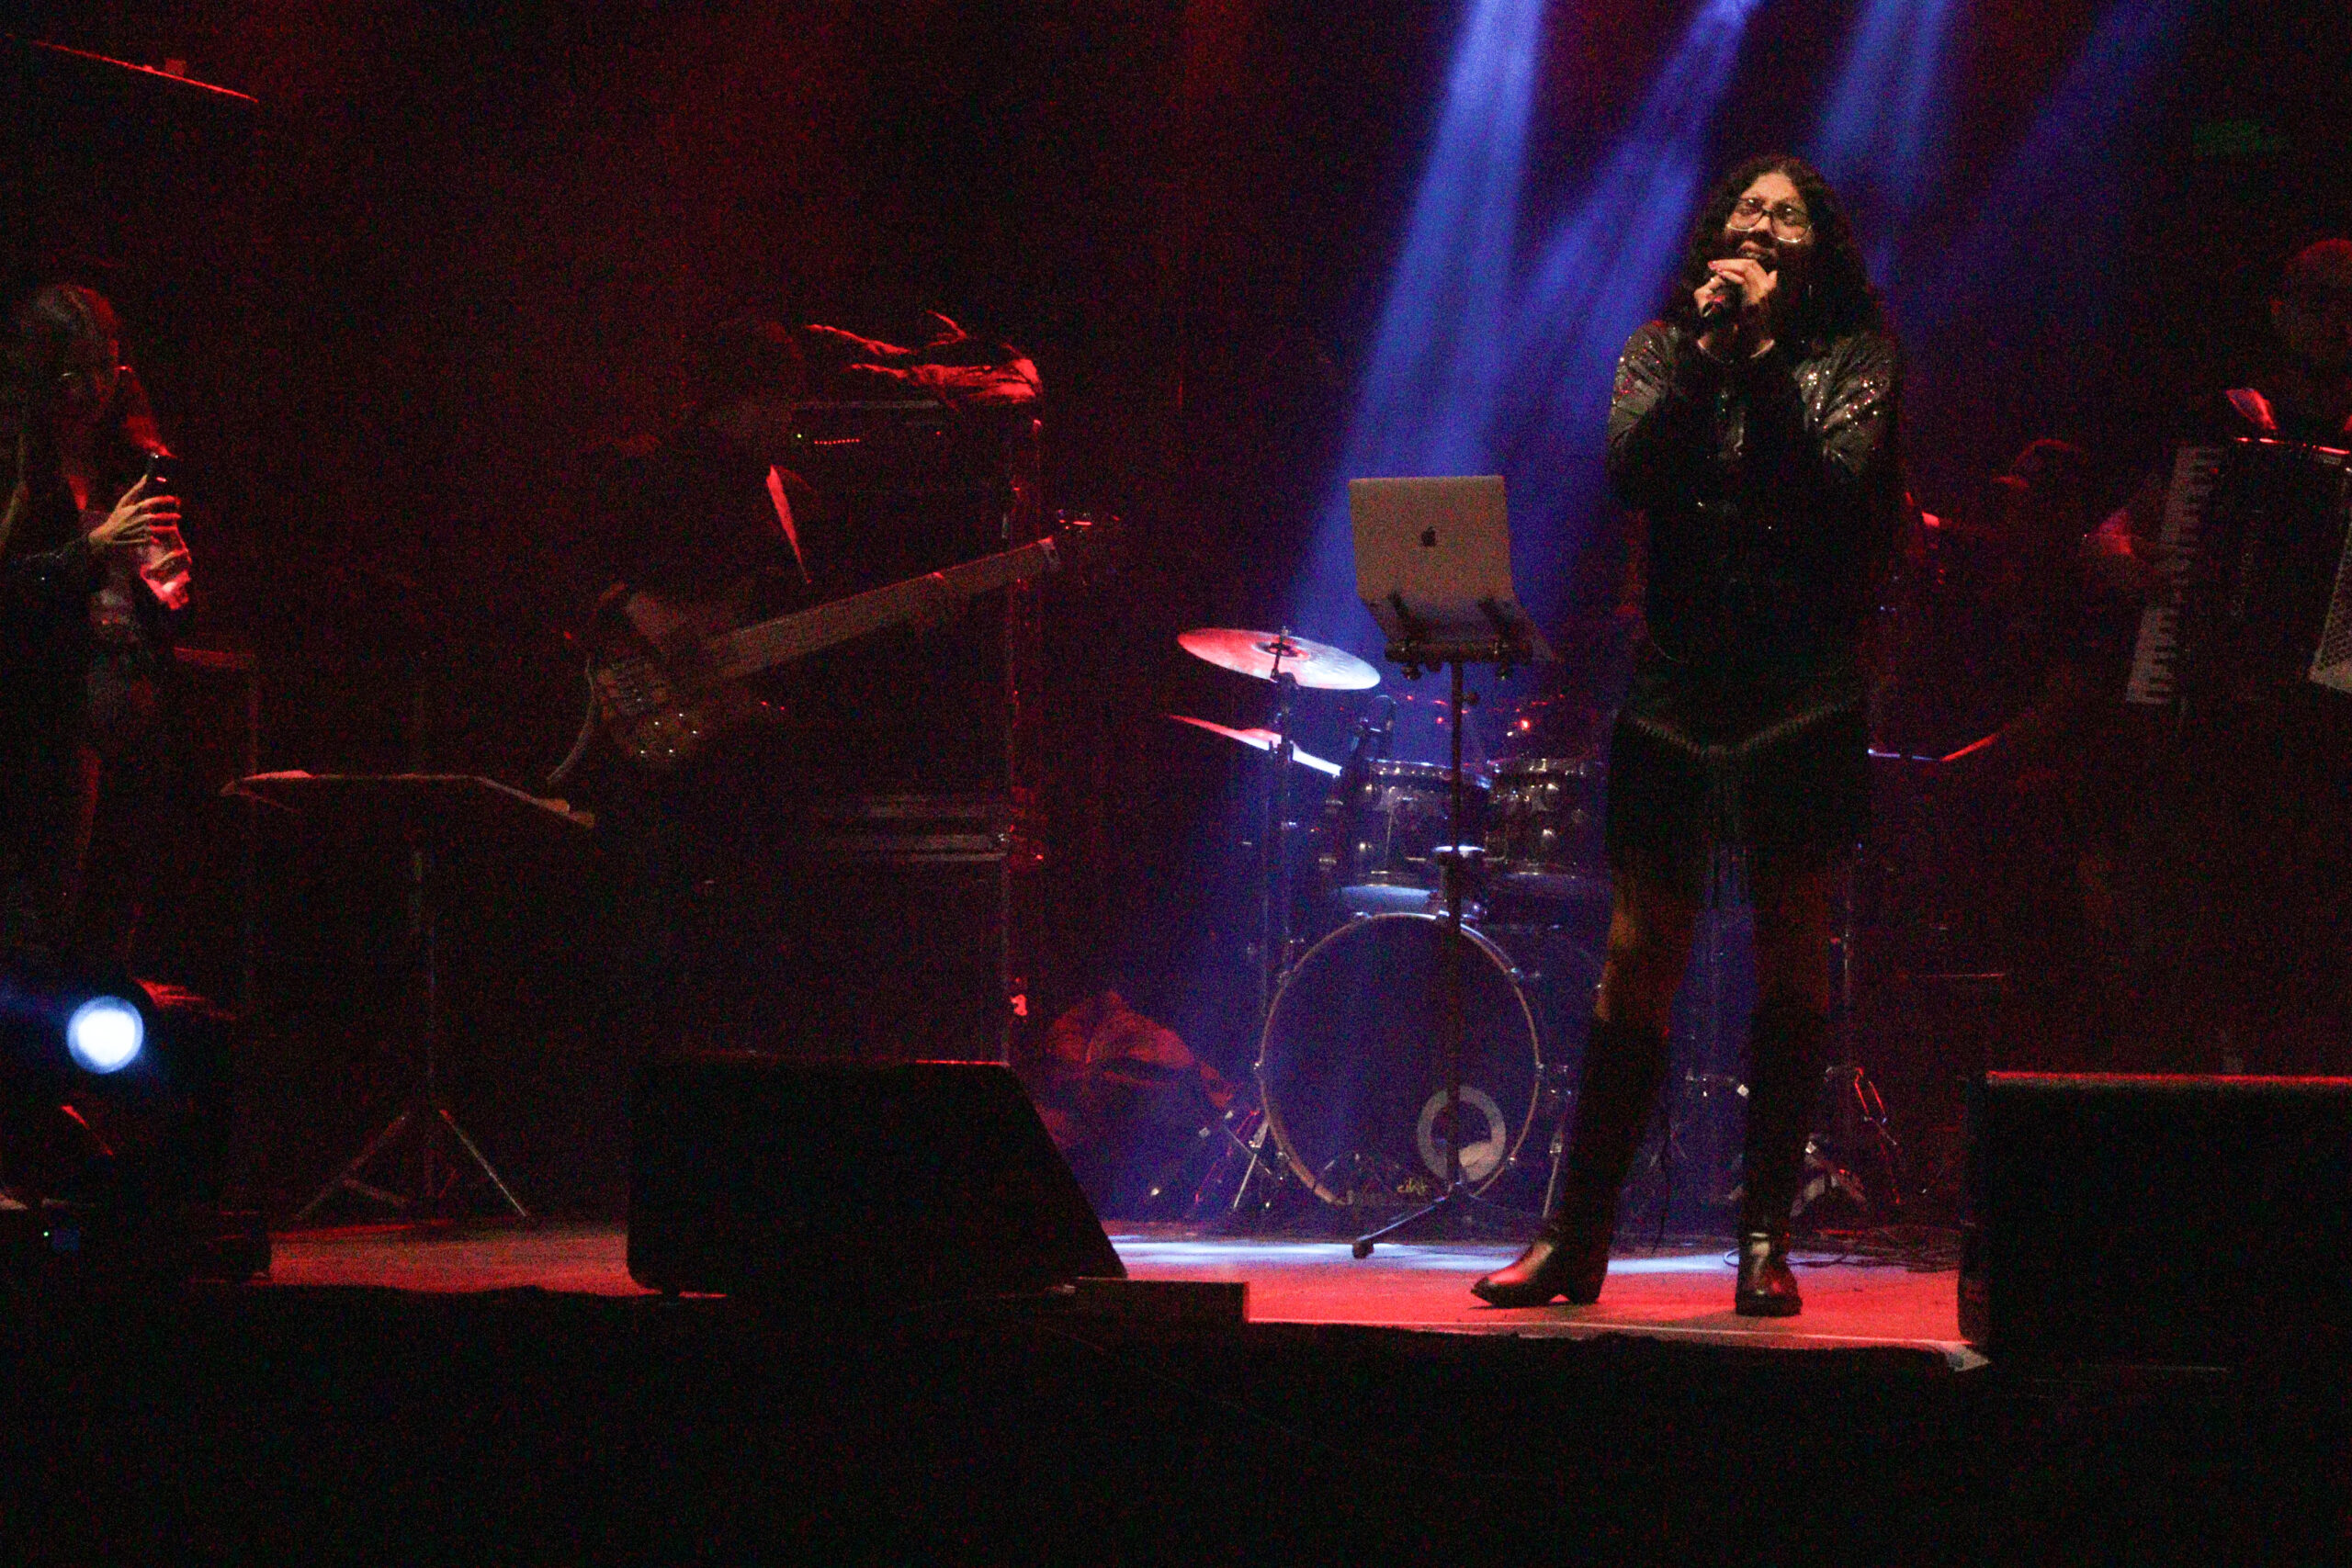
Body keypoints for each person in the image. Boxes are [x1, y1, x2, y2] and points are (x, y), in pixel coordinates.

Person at [1475, 155, 1902, 1315]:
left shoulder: (1856, 360)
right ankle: (1575, 1238)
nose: (1759, 223)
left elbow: (1829, 492)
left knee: (1790, 942)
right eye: (1745, 208)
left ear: (1816, 249)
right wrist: (1715, 355)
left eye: (1785, 214)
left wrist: (1761, 360)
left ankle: (1763, 1239)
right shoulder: (1664, 350)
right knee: (1636, 952)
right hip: (1674, 687)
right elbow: (1629, 472)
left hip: (1800, 689)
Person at [2084, 238, 2352, 1074]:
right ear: (2279, 312)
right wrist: (2124, 559)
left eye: (2350, 302)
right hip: (2206, 724)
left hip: (2324, 748)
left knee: (2298, 968)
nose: (2336, 319)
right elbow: (2117, 530)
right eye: (2318, 298)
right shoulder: (2224, 423)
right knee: (2180, 952)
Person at [1, 282, 190, 956]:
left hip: (125, 696)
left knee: (118, 899)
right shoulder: (17, 460)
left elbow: (153, 589)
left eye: (110, 364)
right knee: (46, 900)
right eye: (81, 370)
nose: (101, 386)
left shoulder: (126, 456)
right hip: (45, 707)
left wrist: (166, 577)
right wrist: (95, 547)